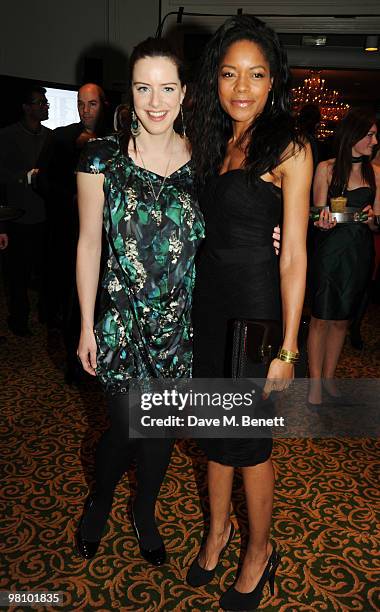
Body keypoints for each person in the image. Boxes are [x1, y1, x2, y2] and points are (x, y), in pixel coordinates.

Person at [187, 15, 312, 611]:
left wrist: (288, 348)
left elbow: (294, 259)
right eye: (231, 73)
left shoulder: (289, 145)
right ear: (215, 79)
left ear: (273, 80)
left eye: (256, 74)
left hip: (256, 315)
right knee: (214, 437)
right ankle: (218, 531)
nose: (242, 87)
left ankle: (258, 550)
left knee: (251, 444)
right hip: (208, 309)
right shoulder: (213, 142)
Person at [75, 38, 204, 565]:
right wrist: (86, 325)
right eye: (143, 87)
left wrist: (271, 240)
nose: (155, 101)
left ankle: (143, 512)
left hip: (180, 328)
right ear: (128, 90)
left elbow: (224, 237)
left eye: (167, 88)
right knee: (125, 431)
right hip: (123, 326)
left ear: (184, 93)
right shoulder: (100, 159)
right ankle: (100, 501)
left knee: (160, 439)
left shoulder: (205, 162)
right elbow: (88, 243)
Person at [308, 109, 379, 404]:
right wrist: (320, 219)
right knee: (321, 317)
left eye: (375, 135)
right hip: (329, 250)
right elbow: (314, 214)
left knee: (341, 320)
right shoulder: (326, 168)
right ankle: (313, 385)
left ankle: (329, 378)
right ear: (354, 134)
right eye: (370, 134)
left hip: (359, 252)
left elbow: (377, 221)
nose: (375, 140)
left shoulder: (375, 173)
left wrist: (372, 218)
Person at [41, 83, 109, 382]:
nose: (85, 110)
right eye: (81, 104)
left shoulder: (115, 140)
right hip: (71, 234)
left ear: (102, 105)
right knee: (74, 303)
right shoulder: (61, 137)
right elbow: (43, 181)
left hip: (109, 240)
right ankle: (76, 368)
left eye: (92, 104)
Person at [0, 85, 52, 336]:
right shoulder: (7, 136)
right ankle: (18, 319)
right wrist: (25, 177)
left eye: (46, 102)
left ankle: (46, 315)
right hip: (17, 217)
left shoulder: (51, 137)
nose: (45, 106)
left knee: (45, 272)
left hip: (45, 216)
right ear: (26, 107)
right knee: (17, 275)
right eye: (40, 102)